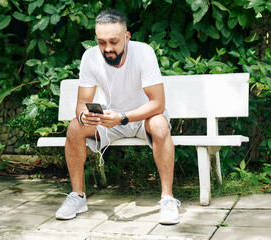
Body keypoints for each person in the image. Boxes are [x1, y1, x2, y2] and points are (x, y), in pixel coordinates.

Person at [55, 9, 180, 225]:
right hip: (111, 117)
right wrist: (84, 116)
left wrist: (123, 117)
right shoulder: (90, 57)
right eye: (101, 42)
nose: (108, 48)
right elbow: (81, 103)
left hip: (143, 116)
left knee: (160, 125)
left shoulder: (143, 53)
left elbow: (158, 103)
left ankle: (167, 199)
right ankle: (77, 196)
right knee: (75, 128)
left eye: (113, 41)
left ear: (127, 37)